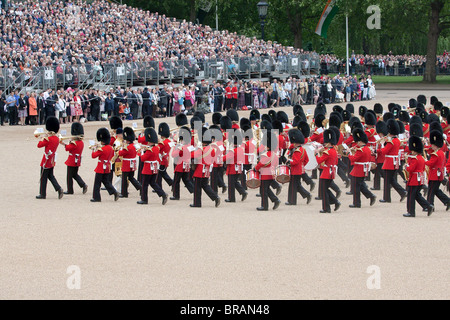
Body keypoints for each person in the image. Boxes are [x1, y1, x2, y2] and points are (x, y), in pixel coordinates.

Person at [190, 127, 221, 208]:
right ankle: (215, 197)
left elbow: (194, 155)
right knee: (205, 185)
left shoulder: (201, 149)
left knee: (197, 188)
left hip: (199, 170)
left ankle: (197, 203)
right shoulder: (211, 149)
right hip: (206, 170)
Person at [378, 119, 407, 203]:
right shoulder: (397, 140)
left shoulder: (391, 142)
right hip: (394, 161)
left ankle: (387, 198)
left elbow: (384, 151)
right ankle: (402, 192)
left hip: (389, 162)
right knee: (391, 180)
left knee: (387, 181)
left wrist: (382, 144)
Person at [403, 136, 434, 217]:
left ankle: (411, 212)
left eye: (413, 150)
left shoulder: (415, 159)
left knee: (410, 196)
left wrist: (406, 166)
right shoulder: (421, 158)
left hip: (414, 179)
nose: (412, 152)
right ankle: (428, 206)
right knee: (417, 195)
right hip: (420, 179)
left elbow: (411, 169)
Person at [347, 128, 376, 208]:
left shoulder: (361, 150)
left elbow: (353, 159)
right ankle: (371, 196)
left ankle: (357, 203)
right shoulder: (367, 148)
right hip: (363, 169)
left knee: (356, 187)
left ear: (360, 141)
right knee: (361, 185)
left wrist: (350, 152)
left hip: (358, 170)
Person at [36, 116, 64, 200]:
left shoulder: (48, 139)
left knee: (43, 177)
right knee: (51, 176)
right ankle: (58, 189)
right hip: (52, 160)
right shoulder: (56, 138)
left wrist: (42, 138)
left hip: (46, 160)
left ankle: (42, 194)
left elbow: (39, 145)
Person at [138, 128, 168, 205]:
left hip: (148, 168)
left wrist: (141, 152)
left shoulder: (149, 150)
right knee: (153, 183)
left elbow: (143, 158)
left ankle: (144, 199)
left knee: (144, 185)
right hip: (154, 168)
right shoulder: (156, 148)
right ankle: (163, 194)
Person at [315, 129, 341, 213]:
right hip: (331, 172)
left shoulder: (327, 152)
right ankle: (335, 202)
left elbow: (319, 161)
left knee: (324, 190)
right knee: (326, 189)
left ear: (329, 143)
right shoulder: (334, 151)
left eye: (326, 142)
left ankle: (326, 208)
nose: (324, 144)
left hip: (326, 172)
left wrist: (316, 154)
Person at [91, 128, 120, 202]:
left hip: (101, 167)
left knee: (97, 183)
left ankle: (96, 197)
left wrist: (94, 149)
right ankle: (114, 192)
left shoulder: (102, 149)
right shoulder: (110, 148)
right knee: (106, 181)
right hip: (107, 166)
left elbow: (93, 156)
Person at [254, 130, 281, 211]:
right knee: (266, 189)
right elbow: (276, 164)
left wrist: (255, 168)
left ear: (268, 146)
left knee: (263, 191)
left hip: (265, 175)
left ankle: (264, 206)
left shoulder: (266, 155)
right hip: (271, 174)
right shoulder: (274, 155)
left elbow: (261, 164)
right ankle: (275, 200)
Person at [285, 129, 312, 206]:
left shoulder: (297, 151)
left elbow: (295, 161)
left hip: (295, 171)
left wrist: (289, 162)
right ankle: (307, 195)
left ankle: (292, 201)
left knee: (292, 186)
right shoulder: (302, 149)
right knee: (297, 185)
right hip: (299, 170)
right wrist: (301, 165)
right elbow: (307, 160)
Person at [425, 130, 450, 212]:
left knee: (431, 191)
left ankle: (429, 205)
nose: (431, 146)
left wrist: (423, 161)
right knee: (436, 190)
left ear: (435, 145)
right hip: (439, 174)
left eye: (432, 145)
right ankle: (447, 201)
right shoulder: (441, 152)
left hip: (434, 174)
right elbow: (429, 150)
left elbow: (431, 163)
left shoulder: (436, 154)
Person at [60, 122, 88, 195]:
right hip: (77, 160)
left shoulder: (74, 143)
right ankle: (83, 184)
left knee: (69, 176)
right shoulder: (81, 142)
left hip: (72, 160)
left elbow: (68, 148)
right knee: (75, 174)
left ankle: (70, 190)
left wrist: (63, 143)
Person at [223, 129, 248, 203]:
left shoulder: (233, 150)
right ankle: (243, 192)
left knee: (231, 184)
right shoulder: (240, 149)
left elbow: (226, 158)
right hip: (238, 168)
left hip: (232, 169)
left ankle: (231, 198)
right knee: (235, 182)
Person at [171, 126, 194, 200]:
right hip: (187, 165)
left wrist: (177, 147)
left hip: (180, 166)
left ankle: (176, 196)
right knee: (186, 180)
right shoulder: (189, 146)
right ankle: (194, 190)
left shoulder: (181, 148)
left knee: (176, 181)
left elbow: (173, 155)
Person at [118, 127, 141, 198]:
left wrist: (121, 147)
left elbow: (120, 153)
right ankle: (140, 187)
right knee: (131, 177)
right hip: (132, 163)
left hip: (127, 164)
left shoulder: (127, 147)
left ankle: (124, 193)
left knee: (124, 179)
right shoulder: (134, 145)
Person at [156, 122, 174, 189]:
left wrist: (157, 142)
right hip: (166, 159)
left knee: (162, 174)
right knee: (161, 174)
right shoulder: (169, 141)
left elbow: (157, 149)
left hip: (161, 160)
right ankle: (159, 186)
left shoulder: (162, 143)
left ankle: (172, 183)